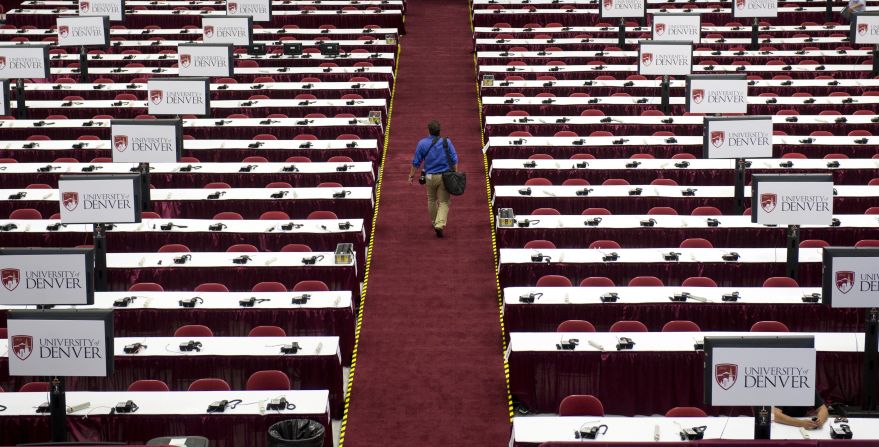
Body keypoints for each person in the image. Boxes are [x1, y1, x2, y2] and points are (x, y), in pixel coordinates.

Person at [408, 120, 459, 238]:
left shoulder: (422, 143)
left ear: (428, 130)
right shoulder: (447, 142)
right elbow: (454, 159)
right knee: (444, 202)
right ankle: (439, 224)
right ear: (439, 131)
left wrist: (411, 176)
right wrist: (455, 173)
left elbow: (416, 162)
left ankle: (435, 221)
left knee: (431, 200)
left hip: (429, 176)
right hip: (444, 176)